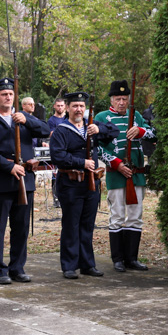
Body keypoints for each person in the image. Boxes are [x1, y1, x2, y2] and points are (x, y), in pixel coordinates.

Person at [0, 78, 50, 284]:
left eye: (11, 94)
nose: (8, 97)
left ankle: (17, 267)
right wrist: (9, 166)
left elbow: (46, 130)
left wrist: (27, 120)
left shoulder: (23, 118)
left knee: (21, 227)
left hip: (25, 181)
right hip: (0, 180)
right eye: (3, 94)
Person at [49, 91, 117, 279]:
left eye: (81, 106)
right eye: (75, 106)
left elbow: (114, 131)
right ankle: (69, 266)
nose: (78, 109)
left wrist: (99, 130)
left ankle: (87, 264)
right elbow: (57, 156)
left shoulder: (90, 127)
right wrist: (82, 163)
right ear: (68, 108)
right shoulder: (62, 130)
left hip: (91, 184)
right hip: (71, 184)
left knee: (87, 225)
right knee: (71, 225)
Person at [96, 79, 155, 273]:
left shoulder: (136, 115)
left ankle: (132, 258)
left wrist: (141, 131)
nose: (122, 102)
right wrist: (116, 163)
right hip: (117, 174)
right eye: (118, 98)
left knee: (136, 216)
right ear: (111, 100)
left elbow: (154, 134)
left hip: (136, 174)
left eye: (124, 98)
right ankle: (118, 259)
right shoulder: (102, 117)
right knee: (118, 215)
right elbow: (97, 147)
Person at [46, 97, 68, 207]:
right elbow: (51, 134)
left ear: (65, 106)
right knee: (55, 175)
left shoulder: (68, 118)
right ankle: (56, 198)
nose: (60, 107)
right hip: (57, 150)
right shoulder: (51, 121)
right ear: (54, 106)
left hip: (68, 150)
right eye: (58, 105)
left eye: (62, 105)